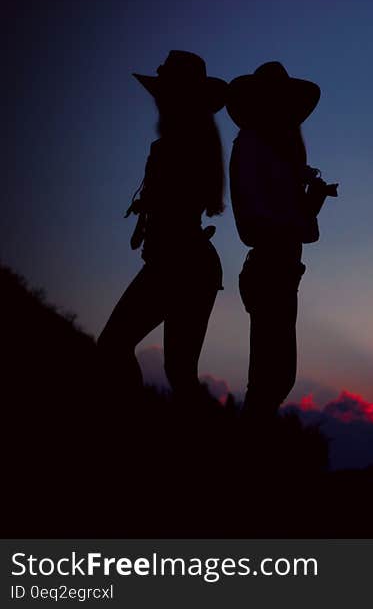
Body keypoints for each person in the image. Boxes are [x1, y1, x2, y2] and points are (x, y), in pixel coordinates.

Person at [97, 50, 226, 407]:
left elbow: (173, 207)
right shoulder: (194, 143)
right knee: (180, 372)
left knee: (114, 344)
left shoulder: (179, 145)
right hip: (191, 263)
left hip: (177, 262)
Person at [226, 61, 337, 421]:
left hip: (280, 267)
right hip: (273, 266)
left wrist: (308, 202)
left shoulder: (267, 152)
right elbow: (266, 222)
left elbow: (290, 223)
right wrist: (308, 205)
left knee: (275, 379)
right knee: (270, 380)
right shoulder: (254, 147)